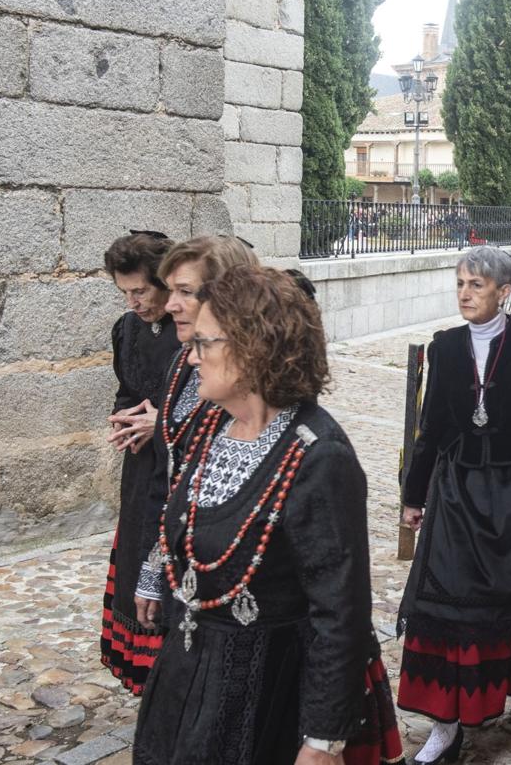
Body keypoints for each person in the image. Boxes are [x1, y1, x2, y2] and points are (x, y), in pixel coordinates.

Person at [133, 266, 404, 765]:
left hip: (266, 695)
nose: (192, 358)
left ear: (251, 348)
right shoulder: (210, 426)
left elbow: (339, 611)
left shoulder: (320, 458)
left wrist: (322, 740)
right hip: (185, 676)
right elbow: (183, 531)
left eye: (205, 344)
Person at [398, 248, 511, 761]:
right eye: (459, 284)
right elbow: (430, 427)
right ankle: (446, 724)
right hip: (457, 492)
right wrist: (414, 496)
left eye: (475, 286)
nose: (463, 294)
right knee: (449, 602)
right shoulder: (447, 347)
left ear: (504, 292)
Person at [132, 236, 260, 649]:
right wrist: (154, 566)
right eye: (171, 291)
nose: (169, 305)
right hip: (182, 566)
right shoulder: (183, 364)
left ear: (228, 294)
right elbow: (169, 478)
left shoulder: (249, 388)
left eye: (185, 291)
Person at [100, 231, 179, 695]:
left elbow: (217, 406)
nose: (132, 303)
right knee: (135, 559)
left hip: (181, 469)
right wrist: (127, 417)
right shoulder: (126, 329)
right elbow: (128, 388)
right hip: (141, 468)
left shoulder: (191, 327)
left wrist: (162, 424)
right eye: (124, 293)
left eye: (140, 291)